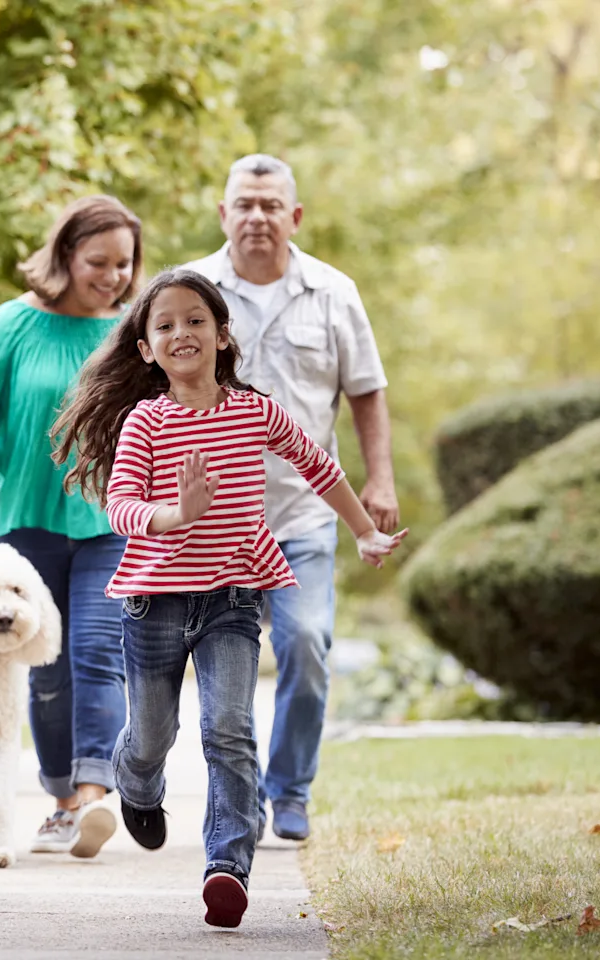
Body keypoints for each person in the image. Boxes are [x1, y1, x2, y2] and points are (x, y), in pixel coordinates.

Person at [51, 269, 404, 928]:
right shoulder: (145, 421)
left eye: (195, 320)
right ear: (147, 350)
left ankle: (227, 866)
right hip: (154, 601)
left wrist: (364, 531)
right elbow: (122, 504)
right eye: (165, 325)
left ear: (221, 334)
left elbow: (319, 465)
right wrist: (174, 514)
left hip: (233, 598)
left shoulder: (254, 410)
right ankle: (138, 786)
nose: (181, 332)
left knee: (229, 730)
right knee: (152, 734)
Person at [182, 154, 399, 843]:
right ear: (223, 214)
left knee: (307, 643)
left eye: (270, 205)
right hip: (214, 524)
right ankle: (236, 804)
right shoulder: (190, 293)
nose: (256, 216)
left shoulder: (334, 292)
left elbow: (365, 389)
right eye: (243, 203)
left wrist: (380, 478)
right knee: (222, 676)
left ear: (294, 216)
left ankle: (291, 788)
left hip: (305, 514)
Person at [0, 194, 144, 858]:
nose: (111, 277)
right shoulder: (13, 324)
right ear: (66, 255)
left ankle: (92, 796)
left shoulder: (134, 333)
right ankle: (59, 800)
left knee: (97, 654)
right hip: (26, 522)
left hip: (111, 519)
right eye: (97, 262)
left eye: (123, 264)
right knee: (46, 669)